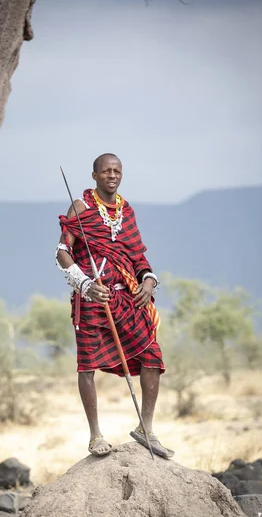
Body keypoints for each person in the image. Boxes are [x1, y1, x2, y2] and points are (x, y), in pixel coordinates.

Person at [56, 153, 174, 459]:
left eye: (117, 170)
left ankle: (145, 428)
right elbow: (61, 252)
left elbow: (138, 257)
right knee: (87, 365)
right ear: (94, 175)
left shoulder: (127, 211)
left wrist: (148, 282)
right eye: (106, 170)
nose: (112, 174)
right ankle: (96, 436)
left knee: (152, 355)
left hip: (126, 299)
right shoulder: (80, 208)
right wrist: (85, 285)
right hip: (92, 297)